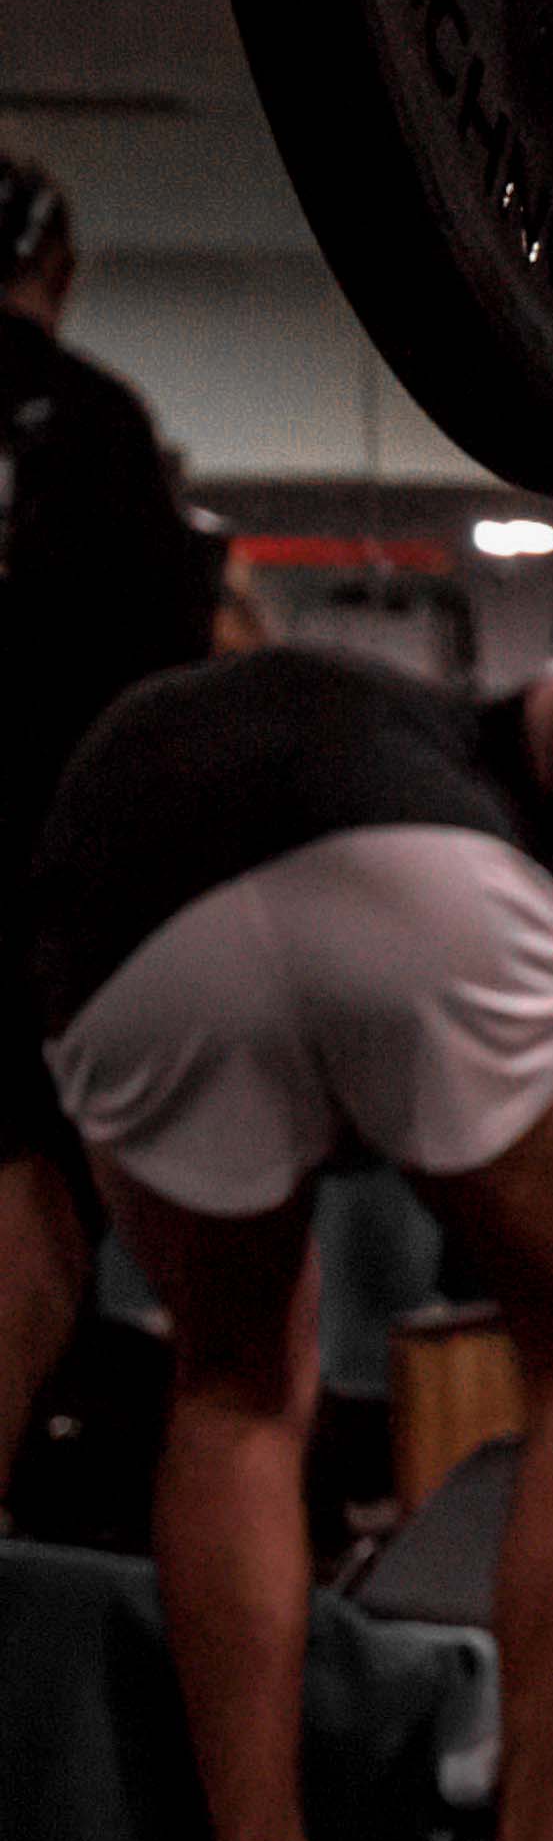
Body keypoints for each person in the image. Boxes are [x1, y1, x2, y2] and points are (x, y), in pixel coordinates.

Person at [28, 642, 553, 1841]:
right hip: (401, 874)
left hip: (124, 916)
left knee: (231, 1386)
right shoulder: (478, 729)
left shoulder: (207, 719)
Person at [0, 148, 231, 1508]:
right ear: (62, 274)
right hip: (33, 887)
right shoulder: (92, 425)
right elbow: (166, 706)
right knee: (22, 1207)